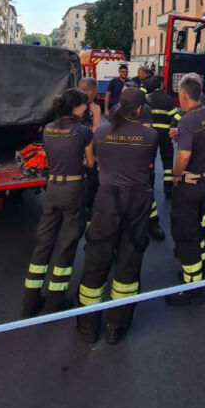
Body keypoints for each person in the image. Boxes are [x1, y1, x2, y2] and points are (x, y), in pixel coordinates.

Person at [76, 88, 157, 345]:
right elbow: (148, 163)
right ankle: (116, 325)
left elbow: (98, 158)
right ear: (140, 110)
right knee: (128, 260)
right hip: (137, 201)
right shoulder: (150, 136)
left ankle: (88, 325)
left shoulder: (101, 132)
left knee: (97, 257)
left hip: (106, 200)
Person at [22, 89, 94, 317]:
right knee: (67, 243)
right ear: (75, 108)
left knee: (44, 242)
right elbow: (90, 163)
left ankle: (30, 300)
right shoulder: (83, 132)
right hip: (74, 189)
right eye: (85, 105)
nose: (87, 108)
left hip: (52, 188)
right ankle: (55, 299)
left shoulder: (49, 130)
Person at [166, 73, 205, 306]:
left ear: (184, 96)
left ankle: (192, 286)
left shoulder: (187, 120)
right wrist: (181, 134)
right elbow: (196, 139)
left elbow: (184, 154)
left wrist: (176, 175)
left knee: (185, 234)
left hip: (189, 183)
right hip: (204, 181)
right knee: (196, 225)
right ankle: (202, 262)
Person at [143, 75, 177, 198]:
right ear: (161, 85)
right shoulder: (168, 99)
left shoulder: (146, 99)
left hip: (150, 133)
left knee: (149, 161)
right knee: (167, 161)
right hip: (164, 134)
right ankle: (168, 189)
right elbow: (174, 117)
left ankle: (149, 186)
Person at [78, 77, 103, 221]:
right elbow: (90, 137)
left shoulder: (71, 105)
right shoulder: (82, 109)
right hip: (83, 160)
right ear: (90, 92)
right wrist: (97, 118)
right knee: (92, 185)